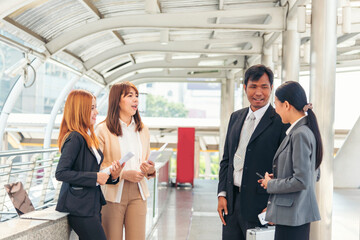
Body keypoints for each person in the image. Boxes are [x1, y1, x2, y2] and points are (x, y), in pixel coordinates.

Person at [217, 64, 289, 240]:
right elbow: (227, 159)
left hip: (261, 206)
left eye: (264, 87)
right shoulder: (236, 117)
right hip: (231, 204)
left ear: (271, 88)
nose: (259, 92)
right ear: (244, 88)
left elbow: (285, 168)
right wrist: (222, 194)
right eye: (253, 86)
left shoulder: (280, 121)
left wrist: (275, 204)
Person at [258, 81, 322, 240]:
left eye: (276, 105)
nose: (276, 110)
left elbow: (301, 180)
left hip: (294, 217)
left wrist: (270, 184)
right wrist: (280, 175)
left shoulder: (300, 134)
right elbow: (313, 173)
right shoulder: (305, 131)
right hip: (294, 215)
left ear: (286, 105)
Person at [55, 89, 123, 240]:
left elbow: (91, 171)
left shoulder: (88, 137)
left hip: (91, 205)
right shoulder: (75, 138)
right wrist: (94, 177)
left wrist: (113, 176)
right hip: (80, 208)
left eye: (95, 107)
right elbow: (61, 173)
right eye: (92, 108)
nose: (97, 112)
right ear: (79, 110)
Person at [96, 82, 156, 240]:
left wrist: (149, 170)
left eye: (136, 96)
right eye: (130, 96)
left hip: (138, 192)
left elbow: (147, 159)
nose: (135, 100)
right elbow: (96, 166)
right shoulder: (102, 130)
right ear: (117, 100)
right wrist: (123, 174)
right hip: (112, 195)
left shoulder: (143, 129)